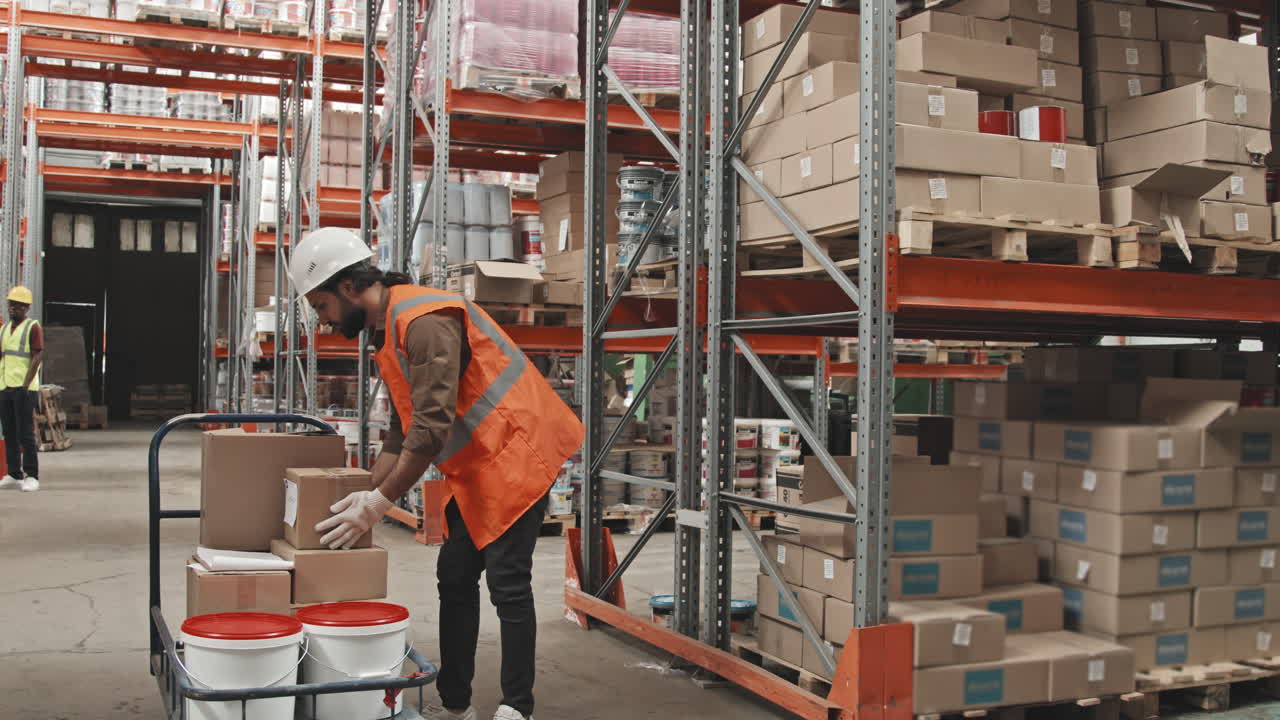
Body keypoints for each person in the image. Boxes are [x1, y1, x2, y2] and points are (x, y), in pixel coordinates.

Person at [288, 228, 584, 720]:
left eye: (321, 307)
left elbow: (427, 431)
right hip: (479, 467)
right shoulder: (391, 332)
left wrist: (378, 504)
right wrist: (360, 492)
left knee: (508, 584)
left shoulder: (423, 320)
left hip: (518, 452)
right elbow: (398, 432)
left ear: (345, 288)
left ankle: (517, 707)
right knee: (455, 575)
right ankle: (456, 704)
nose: (323, 320)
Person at [0, 286, 41, 492]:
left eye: (17, 305)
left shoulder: (32, 327)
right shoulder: (5, 329)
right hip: (5, 387)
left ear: (26, 307)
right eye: (11, 304)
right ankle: (14, 474)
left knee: (25, 433)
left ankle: (32, 475)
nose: (13, 308)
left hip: (24, 389)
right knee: (9, 432)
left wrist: (25, 385)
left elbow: (36, 356)